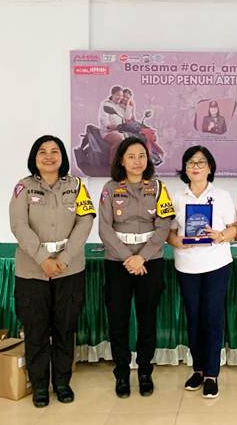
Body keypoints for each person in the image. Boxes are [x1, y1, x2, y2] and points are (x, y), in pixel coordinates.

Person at [9, 135, 96, 408]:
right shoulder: (23, 187)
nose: (49, 156)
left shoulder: (77, 186)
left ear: (62, 157)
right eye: (42, 152)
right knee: (35, 329)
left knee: (64, 328)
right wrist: (43, 258)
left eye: (54, 151)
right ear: (34, 158)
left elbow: (85, 222)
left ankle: (62, 382)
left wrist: (65, 258)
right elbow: (18, 225)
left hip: (69, 269)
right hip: (32, 269)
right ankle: (39, 385)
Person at [98, 136, 175, 398]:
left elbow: (164, 226)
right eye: (131, 156)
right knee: (118, 319)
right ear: (121, 160)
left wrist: (141, 257)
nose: (137, 161)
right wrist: (128, 258)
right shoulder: (110, 188)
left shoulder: (158, 187)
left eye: (141, 156)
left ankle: (144, 371)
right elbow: (104, 228)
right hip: (117, 262)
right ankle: (121, 373)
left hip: (149, 261)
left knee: (147, 319)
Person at [167, 146, 237, 399]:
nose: (195, 167)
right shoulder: (177, 197)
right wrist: (177, 241)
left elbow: (235, 228)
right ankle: (197, 369)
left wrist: (221, 236)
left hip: (216, 264)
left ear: (210, 167)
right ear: (185, 169)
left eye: (201, 162)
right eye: (190, 163)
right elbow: (169, 232)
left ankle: (211, 374)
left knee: (212, 317)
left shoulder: (222, 195)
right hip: (186, 265)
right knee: (194, 318)